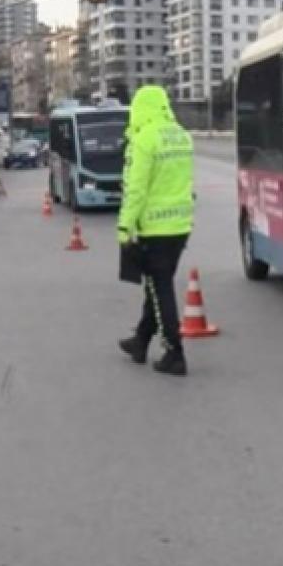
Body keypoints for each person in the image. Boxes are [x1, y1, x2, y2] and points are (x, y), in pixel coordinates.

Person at [116, 86, 196, 377]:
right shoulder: (182, 136)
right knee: (156, 286)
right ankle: (140, 340)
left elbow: (135, 189)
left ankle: (174, 352)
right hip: (180, 226)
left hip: (154, 229)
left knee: (160, 289)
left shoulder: (144, 140)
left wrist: (125, 227)